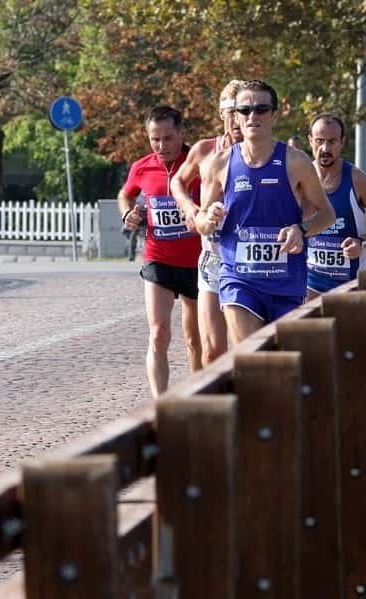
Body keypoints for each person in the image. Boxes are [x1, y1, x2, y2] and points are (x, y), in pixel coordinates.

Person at [197, 80, 335, 344]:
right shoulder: (218, 163)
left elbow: (326, 214)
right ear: (236, 116)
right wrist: (209, 216)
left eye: (261, 109)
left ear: (274, 114)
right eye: (245, 110)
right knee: (250, 359)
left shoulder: (296, 161)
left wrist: (301, 229)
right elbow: (201, 222)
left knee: (282, 366)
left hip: (286, 282)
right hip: (239, 280)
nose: (253, 116)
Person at [118, 105, 202, 399]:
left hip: (196, 262)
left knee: (194, 339)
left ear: (181, 133)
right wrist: (127, 212)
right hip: (158, 258)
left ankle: (198, 395)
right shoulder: (142, 167)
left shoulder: (198, 163)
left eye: (168, 138)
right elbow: (125, 193)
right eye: (155, 139)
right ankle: (160, 403)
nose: (161, 146)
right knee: (158, 333)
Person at [171, 79, 244, 365]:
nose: (237, 119)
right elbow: (177, 180)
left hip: (248, 260)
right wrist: (190, 208)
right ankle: (209, 407)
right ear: (220, 114)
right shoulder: (205, 150)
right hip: (213, 258)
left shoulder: (262, 154)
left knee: (246, 347)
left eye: (243, 111)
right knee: (212, 349)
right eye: (230, 112)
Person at [306, 113, 366, 298]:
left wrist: (361, 243)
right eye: (319, 141)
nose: (325, 148)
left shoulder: (357, 179)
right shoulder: (301, 179)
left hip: (353, 282)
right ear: (310, 141)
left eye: (332, 141)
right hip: (311, 281)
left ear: (342, 142)